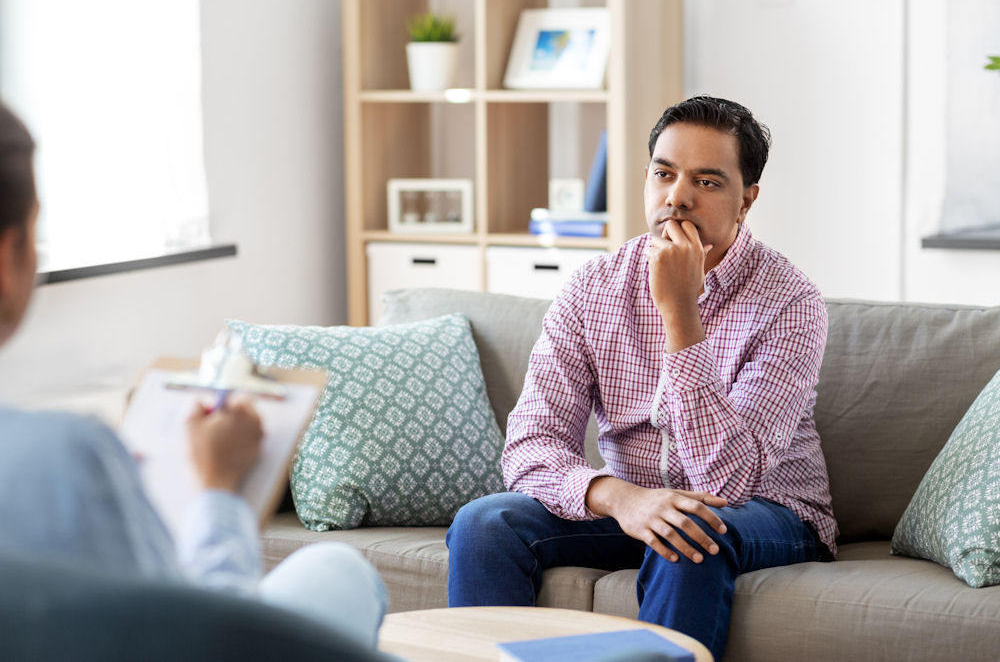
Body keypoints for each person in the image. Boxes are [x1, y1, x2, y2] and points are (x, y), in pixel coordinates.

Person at [447, 96, 837, 659]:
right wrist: (619, 498)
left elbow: (729, 482)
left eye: (707, 181)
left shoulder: (791, 301)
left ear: (746, 200)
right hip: (637, 506)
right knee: (485, 524)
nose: (677, 196)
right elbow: (530, 445)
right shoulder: (594, 286)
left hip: (768, 510)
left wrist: (681, 316)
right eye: (664, 173)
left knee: (693, 530)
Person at [0, 101, 386, 649]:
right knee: (344, 575)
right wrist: (218, 489)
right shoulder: (67, 460)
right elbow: (207, 637)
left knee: (333, 570)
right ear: (8, 255)